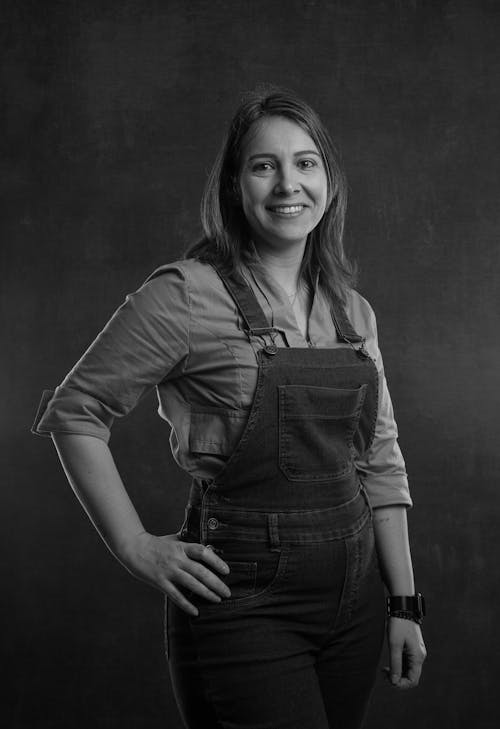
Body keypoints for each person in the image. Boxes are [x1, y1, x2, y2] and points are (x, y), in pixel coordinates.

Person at [32, 85, 427, 729]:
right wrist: (134, 545)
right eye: (263, 165)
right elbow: (78, 411)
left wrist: (403, 605)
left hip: (355, 601)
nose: (287, 184)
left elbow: (380, 462)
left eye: (305, 162)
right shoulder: (184, 295)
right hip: (246, 603)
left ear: (328, 180)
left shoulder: (353, 315)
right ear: (234, 186)